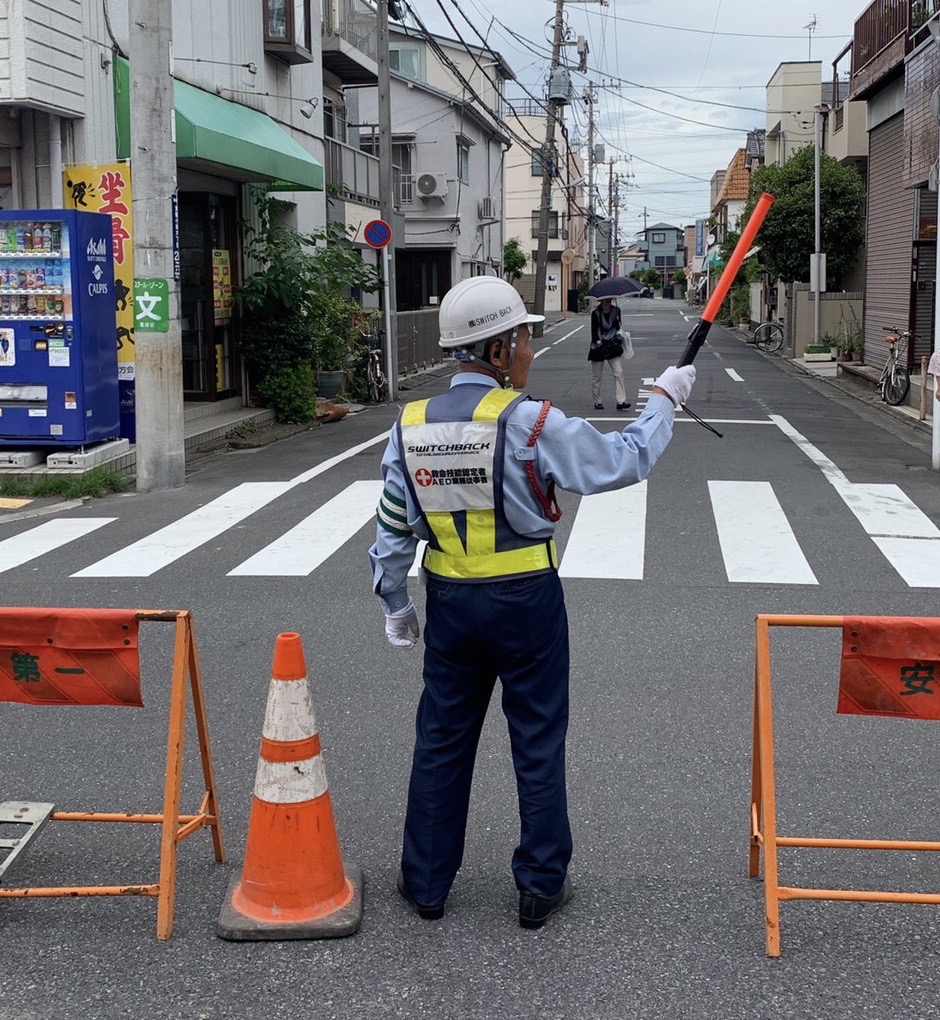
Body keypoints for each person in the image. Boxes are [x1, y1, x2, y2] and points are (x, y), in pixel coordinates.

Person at [368, 276, 695, 930]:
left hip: (451, 603)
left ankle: (427, 883)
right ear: (495, 350)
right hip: (527, 601)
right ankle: (540, 886)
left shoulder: (409, 426)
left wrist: (394, 600)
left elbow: (392, 522)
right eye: (522, 337)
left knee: (441, 740)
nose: (528, 350)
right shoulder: (530, 421)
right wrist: (663, 400)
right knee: (537, 739)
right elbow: (619, 462)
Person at [589, 296, 631, 411]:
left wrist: (618, 320)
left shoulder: (616, 311)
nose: (608, 301)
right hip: (599, 347)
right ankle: (597, 401)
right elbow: (594, 332)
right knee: (597, 377)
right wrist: (599, 343)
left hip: (612, 346)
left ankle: (621, 401)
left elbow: (618, 328)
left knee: (619, 372)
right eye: (606, 299)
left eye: (610, 299)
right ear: (601, 301)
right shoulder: (596, 313)